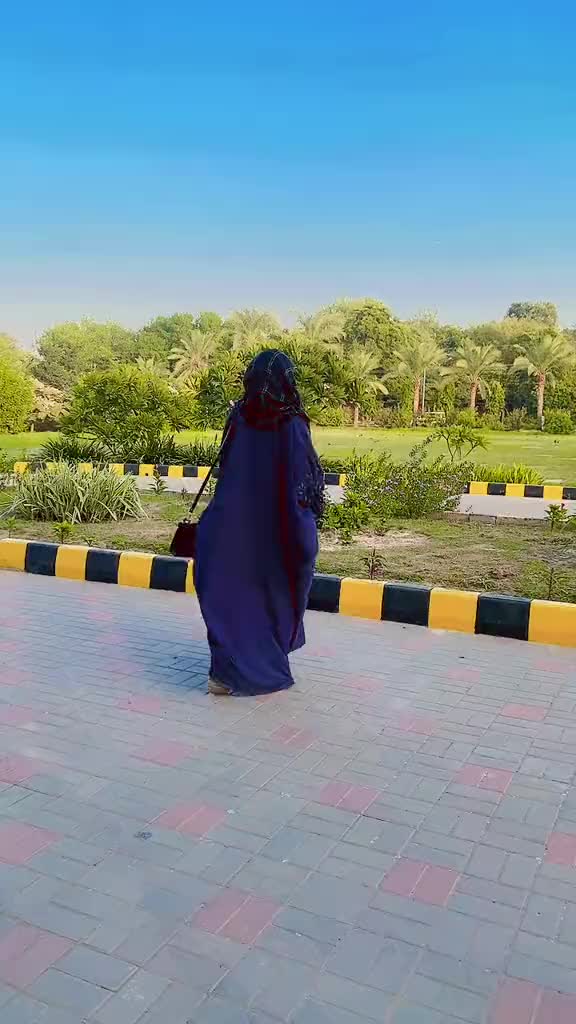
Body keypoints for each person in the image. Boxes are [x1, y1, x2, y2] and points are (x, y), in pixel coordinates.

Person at [194, 349, 324, 696]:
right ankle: (259, 667)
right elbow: (302, 483)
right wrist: (303, 530)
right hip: (275, 529)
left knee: (229, 598)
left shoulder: (239, 417)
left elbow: (228, 469)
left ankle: (224, 675)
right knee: (272, 596)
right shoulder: (293, 425)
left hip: (229, 526)